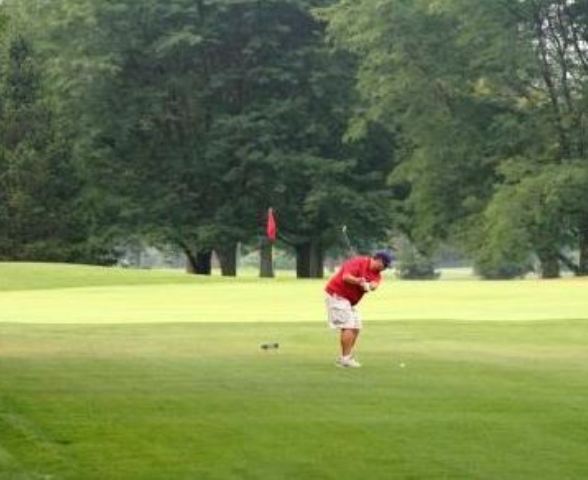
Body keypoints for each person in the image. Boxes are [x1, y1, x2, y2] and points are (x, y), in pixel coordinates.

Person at [324, 251, 394, 368]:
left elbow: (374, 286)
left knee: (356, 327)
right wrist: (358, 281)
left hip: (350, 301)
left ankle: (346, 357)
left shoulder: (377, 274)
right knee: (349, 326)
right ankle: (345, 359)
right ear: (378, 260)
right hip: (337, 295)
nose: (385, 268)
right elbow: (346, 277)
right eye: (385, 265)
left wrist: (368, 285)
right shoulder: (357, 262)